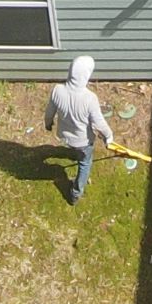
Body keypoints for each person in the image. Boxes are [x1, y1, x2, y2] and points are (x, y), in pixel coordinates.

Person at [44, 55, 114, 204]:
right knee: (85, 164)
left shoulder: (57, 90)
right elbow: (99, 123)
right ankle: (75, 194)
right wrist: (109, 136)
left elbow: (49, 112)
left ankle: (73, 153)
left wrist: (48, 123)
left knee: (75, 150)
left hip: (64, 135)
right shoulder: (89, 99)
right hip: (83, 141)